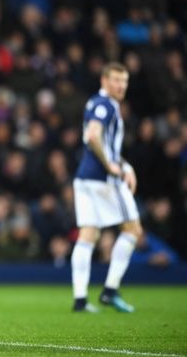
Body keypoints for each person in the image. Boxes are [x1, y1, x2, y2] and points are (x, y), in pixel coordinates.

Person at [71, 62, 143, 313]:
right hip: (102, 179)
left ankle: (80, 300)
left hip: (83, 178)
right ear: (104, 80)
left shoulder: (94, 102)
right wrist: (111, 165)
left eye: (124, 81)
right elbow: (94, 136)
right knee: (133, 229)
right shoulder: (106, 105)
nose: (121, 86)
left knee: (88, 235)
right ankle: (110, 291)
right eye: (116, 80)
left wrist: (125, 165)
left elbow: (103, 143)